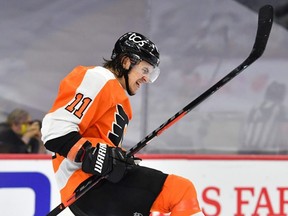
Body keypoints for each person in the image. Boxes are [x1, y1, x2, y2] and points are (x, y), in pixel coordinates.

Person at [41, 32, 204, 216]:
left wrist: (117, 159)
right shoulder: (97, 78)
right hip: (88, 185)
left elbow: (103, 149)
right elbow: (54, 131)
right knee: (180, 192)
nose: (147, 79)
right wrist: (92, 154)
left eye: (151, 74)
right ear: (126, 62)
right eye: (144, 70)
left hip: (101, 186)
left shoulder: (119, 98)